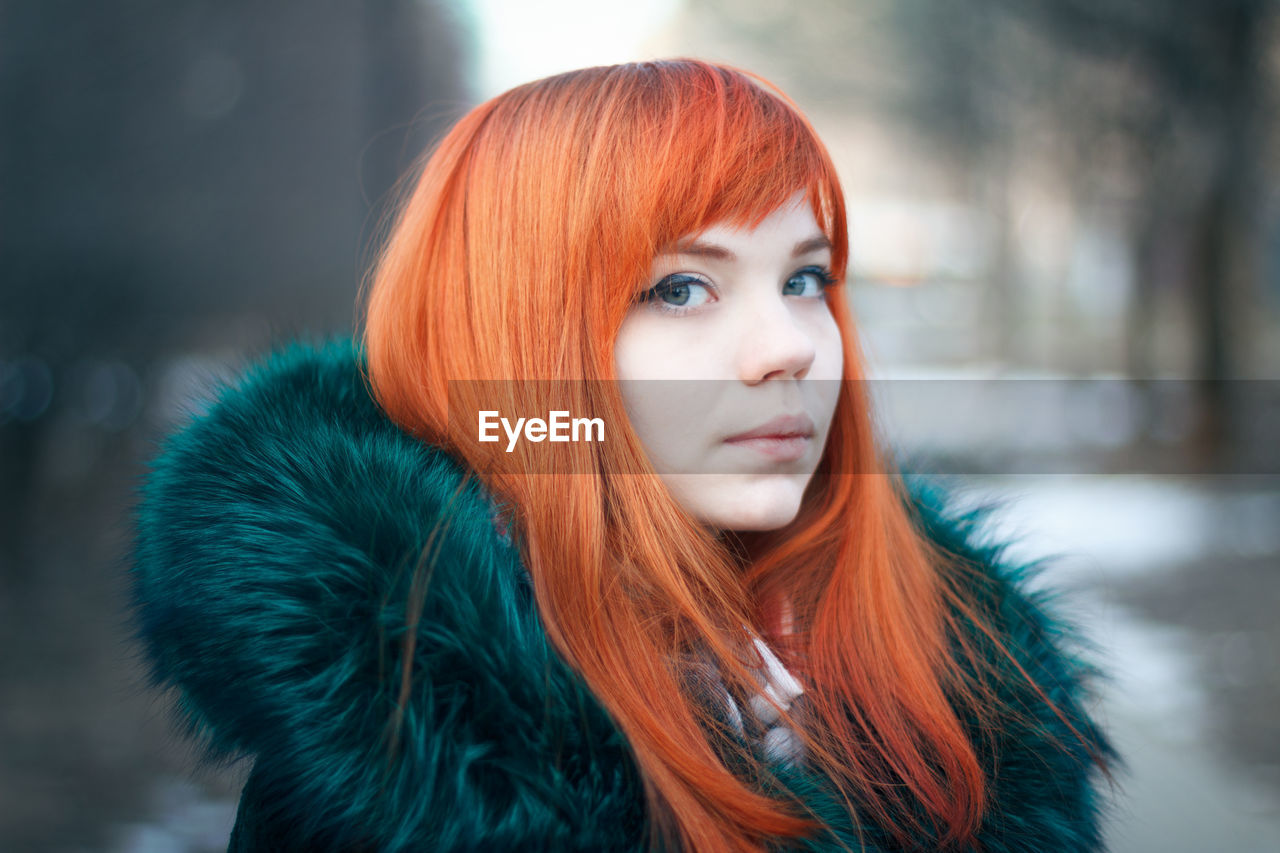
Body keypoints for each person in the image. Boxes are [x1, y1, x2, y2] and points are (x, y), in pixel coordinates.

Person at [131, 59, 1116, 852]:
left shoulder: (966, 682)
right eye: (681, 289)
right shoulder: (401, 762)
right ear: (518, 342)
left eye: (804, 278)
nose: (788, 347)